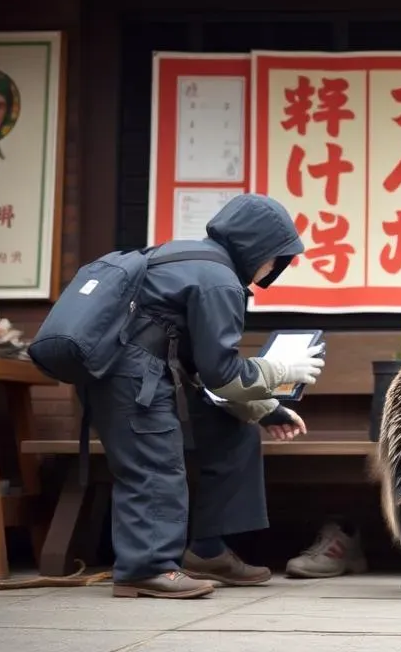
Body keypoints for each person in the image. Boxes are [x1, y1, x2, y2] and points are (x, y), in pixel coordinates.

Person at [79, 193, 325, 599]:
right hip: (131, 376)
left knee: (230, 430)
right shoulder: (220, 280)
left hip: (144, 373)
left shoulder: (188, 256)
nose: (273, 267)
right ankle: (147, 568)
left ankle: (207, 551)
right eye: (276, 257)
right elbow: (223, 372)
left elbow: (205, 369)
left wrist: (264, 410)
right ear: (257, 247)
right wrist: (283, 371)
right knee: (155, 463)